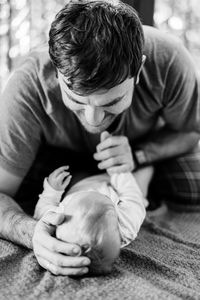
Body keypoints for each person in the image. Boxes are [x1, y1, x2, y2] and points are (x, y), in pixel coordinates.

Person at [0, 0, 199, 276]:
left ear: (138, 70)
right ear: (57, 72)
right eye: (77, 101)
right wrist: (33, 232)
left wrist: (140, 156)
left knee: (193, 186)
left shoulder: (169, 61)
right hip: (56, 158)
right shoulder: (27, 87)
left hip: (138, 152)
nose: (93, 120)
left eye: (112, 102)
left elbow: (191, 133)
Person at [33, 149, 153, 274]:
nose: (96, 193)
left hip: (83, 182)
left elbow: (42, 213)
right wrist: (117, 171)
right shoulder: (126, 226)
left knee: (77, 173)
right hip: (119, 189)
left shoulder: (61, 215)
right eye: (108, 203)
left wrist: (53, 191)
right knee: (143, 176)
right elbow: (132, 196)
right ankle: (147, 162)